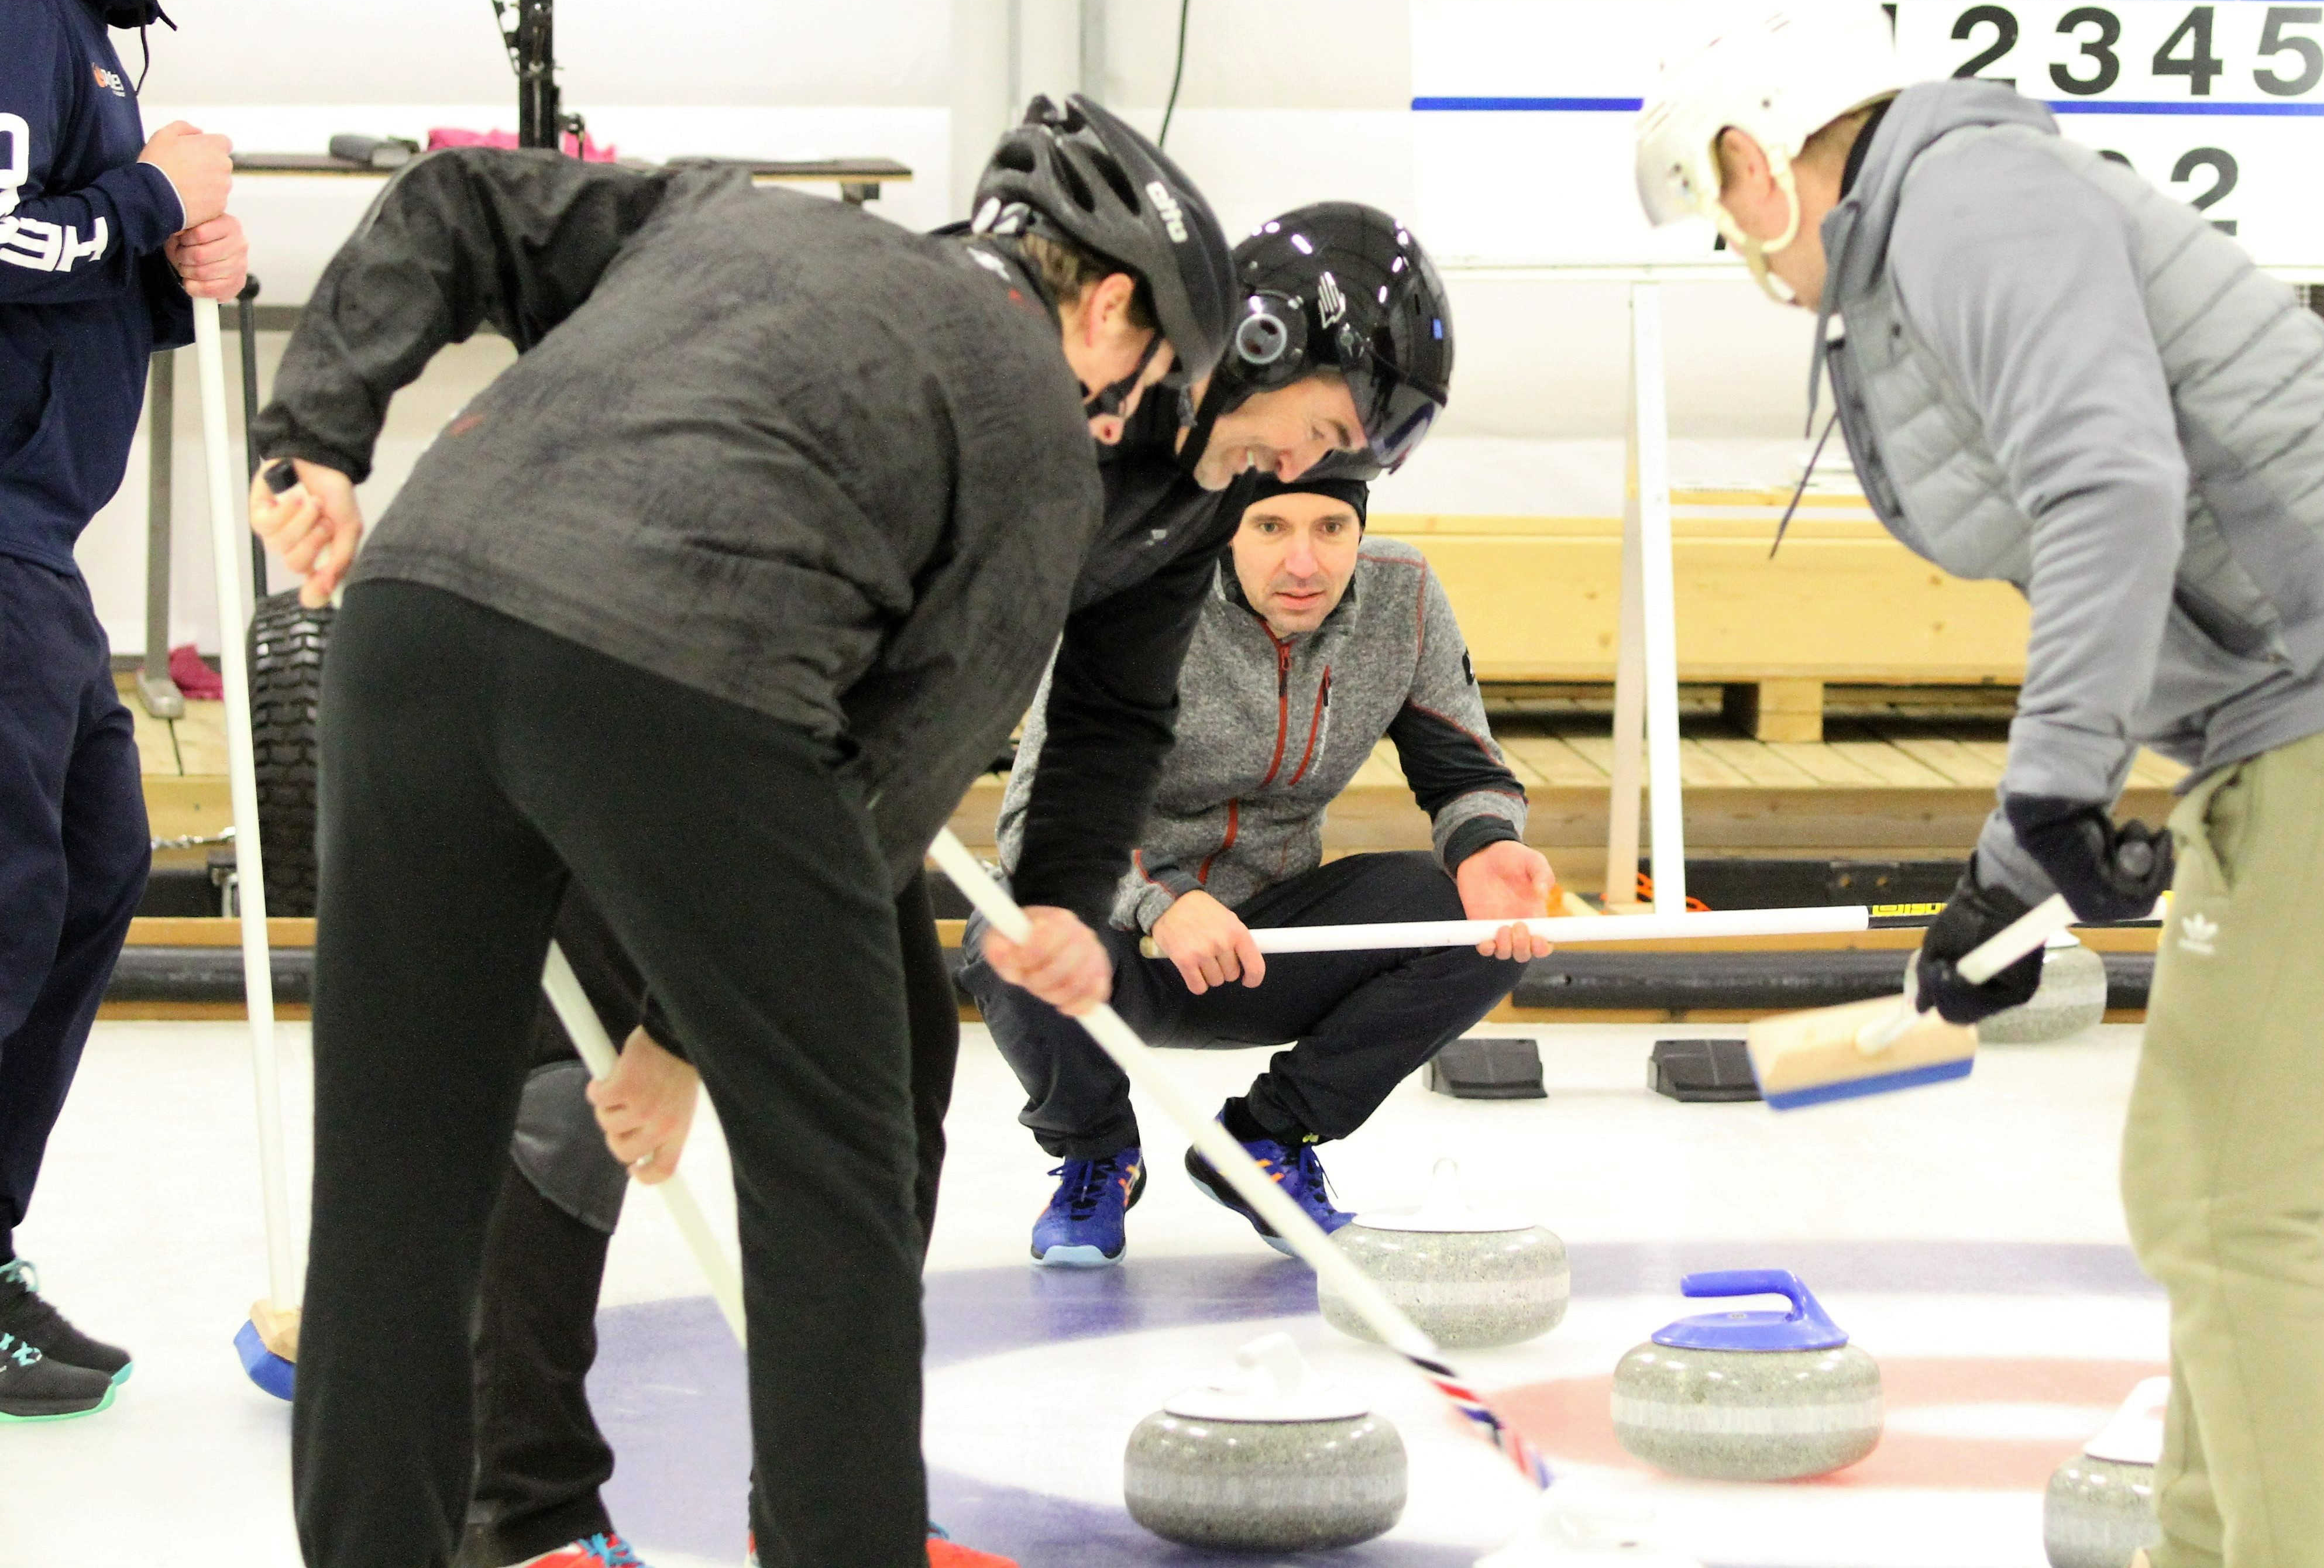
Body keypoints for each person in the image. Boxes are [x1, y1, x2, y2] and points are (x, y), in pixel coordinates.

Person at [1634, 0, 2324, 1568]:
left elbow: (2109, 488)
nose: (1730, 237)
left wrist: (2042, 803)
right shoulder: (1933, 234)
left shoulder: (1970, 195)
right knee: (2210, 1193)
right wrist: (2015, 865)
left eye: (1718, 191)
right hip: (2301, 728)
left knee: (2228, 1208)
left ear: (1763, 146)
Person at [247, 94, 1232, 1568]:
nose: (1120, 419)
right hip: (690, 670)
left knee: (394, 1182)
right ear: (1103, 303)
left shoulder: (735, 211)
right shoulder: (1041, 432)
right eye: (1142, 381)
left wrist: (316, 434)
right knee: (834, 1179)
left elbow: (455, 199)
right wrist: (681, 1031)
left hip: (411, 619)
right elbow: (897, 770)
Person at [448, 195, 1459, 1568]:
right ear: (1264, 342)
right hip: (666, 703)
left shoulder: (1180, 494)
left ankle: (833, 1517)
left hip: (840, 767)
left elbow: (1108, 712)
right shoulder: (1037, 404)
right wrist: (680, 1029)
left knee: (889, 1100)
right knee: (575, 1095)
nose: (1316, 475)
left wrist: (1061, 897)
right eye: (1330, 433)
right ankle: (525, 1516)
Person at [968, 219, 1548, 1268]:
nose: (1303, 560)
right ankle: (1096, 1153)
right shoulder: (1143, 593)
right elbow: (1035, 813)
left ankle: (1267, 1139)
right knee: (1004, 933)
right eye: (1271, 526)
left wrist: (1487, 848)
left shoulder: (1405, 600)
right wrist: (1158, 900)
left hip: (1275, 936)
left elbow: (1463, 773)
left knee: (1469, 917)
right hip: (1130, 940)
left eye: (1331, 530)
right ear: (1227, 527)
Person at [0, 0, 315, 1423]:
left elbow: (48, 257)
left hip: (36, 537)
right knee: (13, 901)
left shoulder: (96, 29)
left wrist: (165, 250)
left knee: (95, 865)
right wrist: (142, 202)